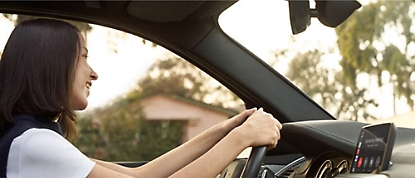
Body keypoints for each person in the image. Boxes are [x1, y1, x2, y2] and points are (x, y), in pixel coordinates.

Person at [0, 18, 282, 178]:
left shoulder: (33, 139)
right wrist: (241, 139)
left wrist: (224, 130)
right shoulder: (34, 144)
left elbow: (141, 175)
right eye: (83, 57)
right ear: (52, 66)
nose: (93, 73)